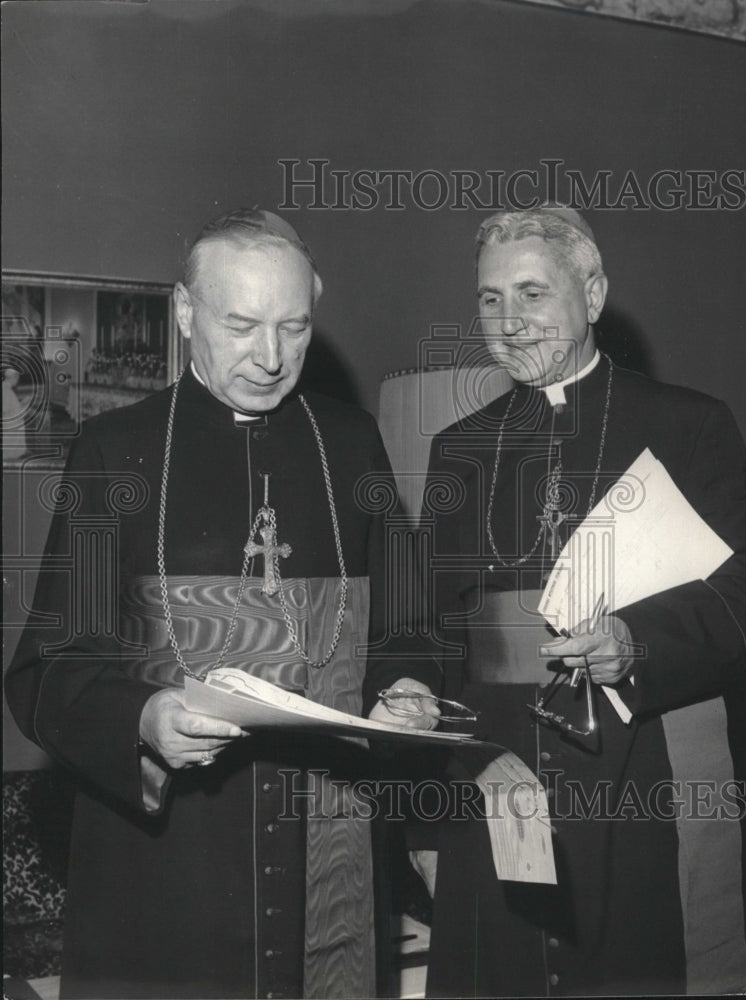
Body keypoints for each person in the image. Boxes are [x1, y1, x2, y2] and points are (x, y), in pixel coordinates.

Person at [5, 208, 439, 1000]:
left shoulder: (352, 443)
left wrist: (406, 686)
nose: (271, 359)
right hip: (167, 862)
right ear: (183, 314)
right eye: (240, 326)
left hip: (329, 842)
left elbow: (410, 623)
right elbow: (47, 670)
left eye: (294, 327)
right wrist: (141, 718)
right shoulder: (113, 450)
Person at [420, 207, 746, 997]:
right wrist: (426, 805)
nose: (508, 321)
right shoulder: (457, 449)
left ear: (593, 293)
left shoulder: (690, 424)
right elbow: (432, 633)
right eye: (490, 299)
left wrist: (636, 641)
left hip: (645, 771)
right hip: (498, 769)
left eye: (531, 293)